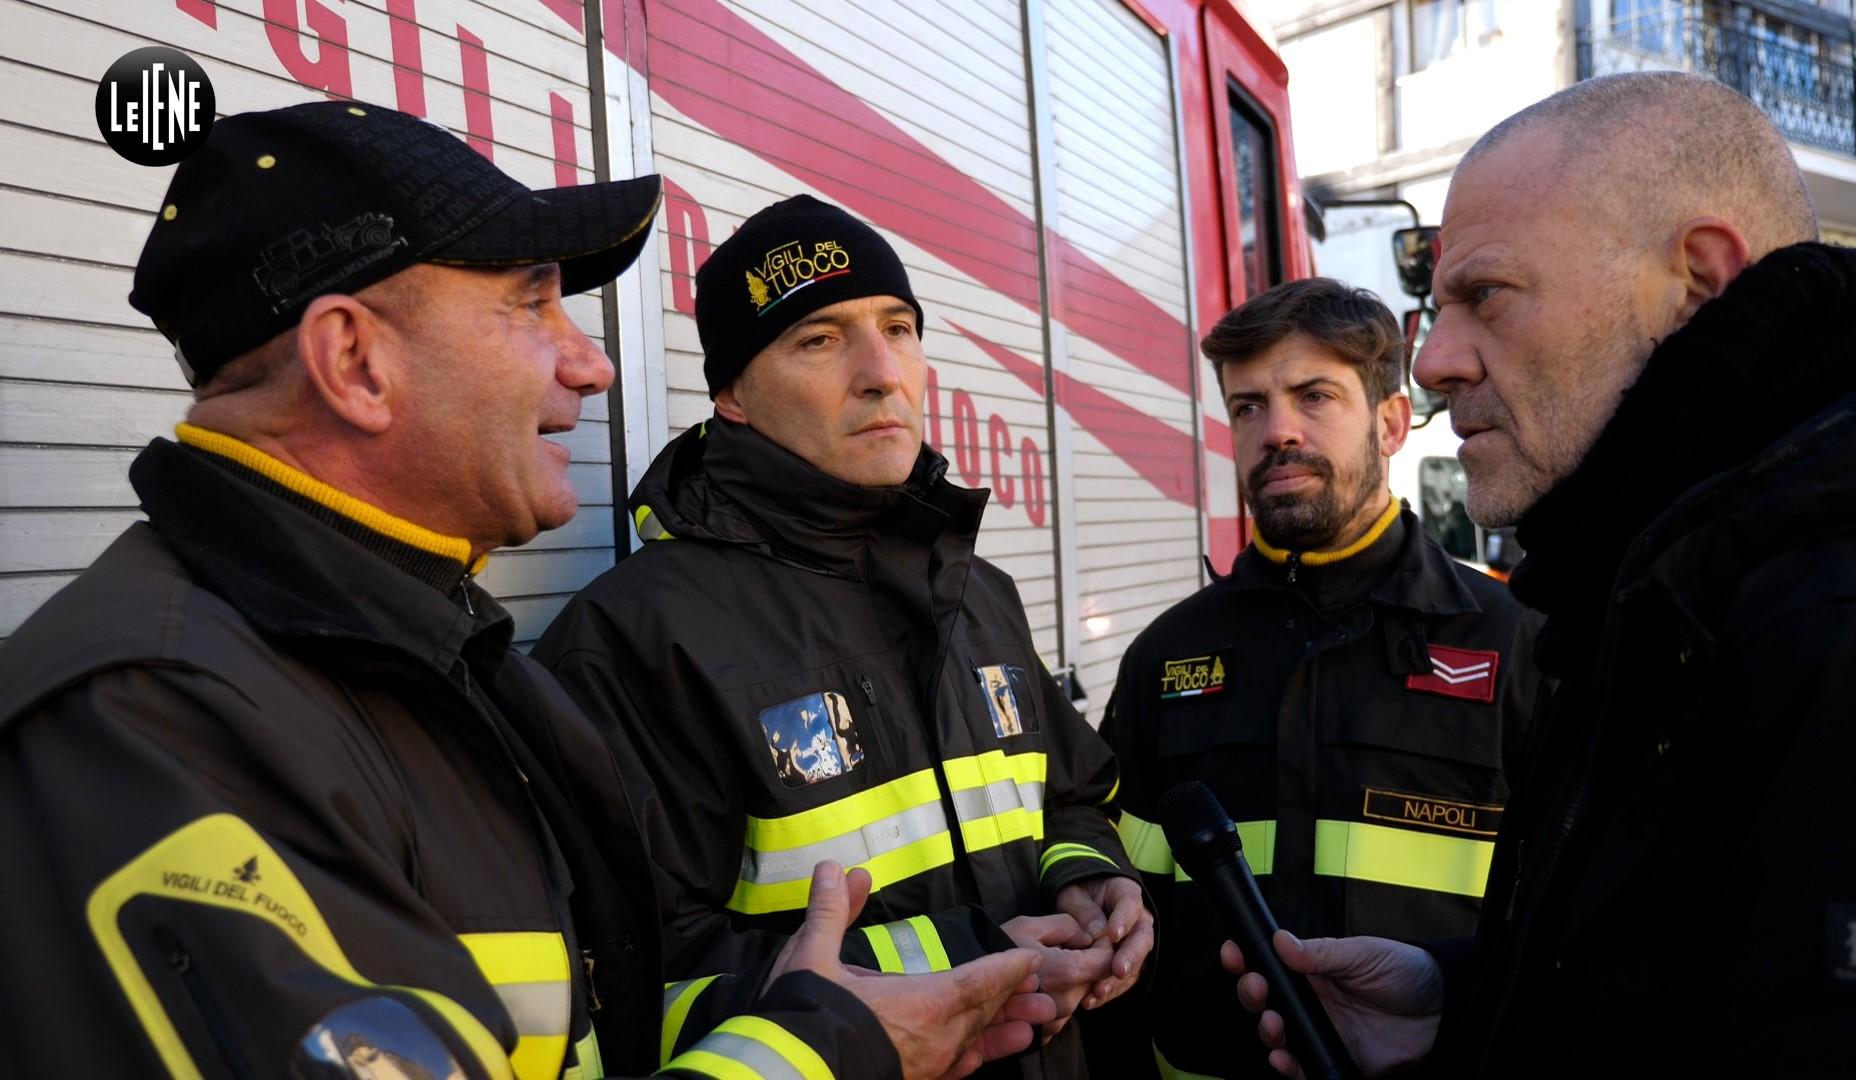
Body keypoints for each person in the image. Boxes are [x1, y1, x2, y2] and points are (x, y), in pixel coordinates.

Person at [0, 102, 1051, 1079]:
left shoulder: (430, 653)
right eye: (532, 303)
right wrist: (831, 1052)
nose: (591, 366)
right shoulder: (156, 718)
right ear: (354, 361)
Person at [1226, 71, 1856, 1077]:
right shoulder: (1650, 589)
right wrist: (1461, 1005)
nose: (1433, 363)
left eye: (1485, 297)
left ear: (1700, 283)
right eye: (1436, 303)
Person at [532, 195, 1151, 1077]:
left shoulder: (979, 593)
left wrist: (1086, 875)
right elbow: (634, 982)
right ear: (733, 396)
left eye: (898, 328)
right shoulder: (635, 640)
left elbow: (1072, 795)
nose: (880, 372)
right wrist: (964, 960)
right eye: (819, 339)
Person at [1088, 279, 1544, 1077]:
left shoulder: (1517, 644)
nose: (1277, 432)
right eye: (1248, 408)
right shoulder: (1167, 659)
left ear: (1392, 422)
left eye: (1314, 396)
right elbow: (1118, 924)